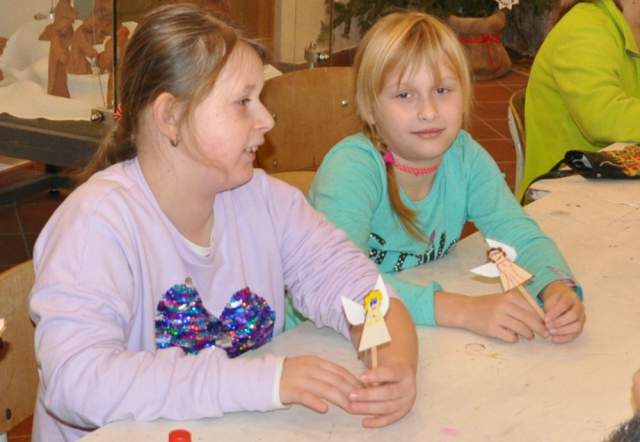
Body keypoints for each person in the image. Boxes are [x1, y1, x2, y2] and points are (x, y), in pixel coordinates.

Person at [28, 5, 417, 441]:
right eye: (243, 102)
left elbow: (364, 292)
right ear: (170, 116)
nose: (266, 119)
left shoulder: (267, 202)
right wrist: (264, 381)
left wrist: (395, 362)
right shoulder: (94, 225)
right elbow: (77, 382)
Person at [308, 11, 586, 345]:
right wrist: (462, 310)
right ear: (369, 109)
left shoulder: (464, 157)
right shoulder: (351, 169)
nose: (429, 111)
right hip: (323, 335)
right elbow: (342, 282)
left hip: (418, 331)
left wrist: (555, 287)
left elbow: (518, 235)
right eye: (404, 95)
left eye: (442, 90)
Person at [518, 0, 640, 200]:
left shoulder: (629, 27)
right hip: (560, 195)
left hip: (613, 182)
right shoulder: (585, 28)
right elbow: (604, 118)